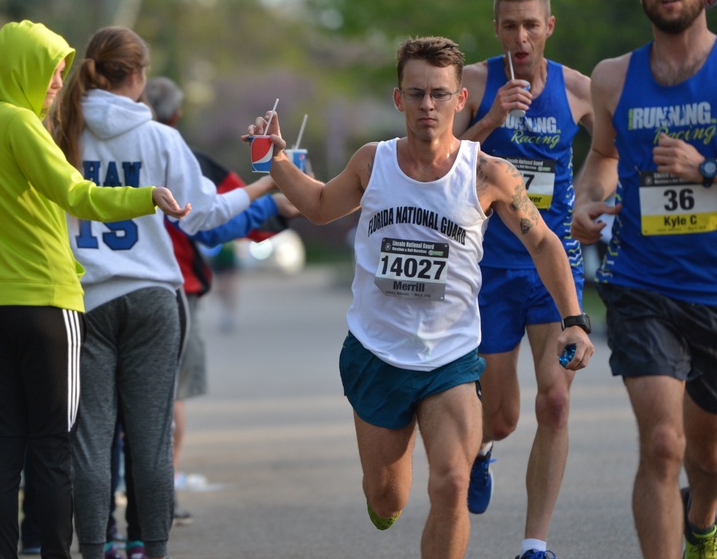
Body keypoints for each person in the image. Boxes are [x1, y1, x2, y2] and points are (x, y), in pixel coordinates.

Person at [247, 36, 593, 559]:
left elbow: (544, 241)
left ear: (459, 99)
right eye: (416, 94)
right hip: (377, 352)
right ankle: (382, 497)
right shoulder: (372, 163)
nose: (427, 105)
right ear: (398, 99)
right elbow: (319, 205)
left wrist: (574, 318)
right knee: (387, 501)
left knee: (452, 484)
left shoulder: (487, 173)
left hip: (451, 357)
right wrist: (276, 162)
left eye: (438, 94)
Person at [0, 20, 190, 559]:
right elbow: (77, 194)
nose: (59, 82)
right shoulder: (21, 124)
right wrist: (146, 196)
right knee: (54, 447)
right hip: (44, 303)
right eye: (52, 70)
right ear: (26, 69)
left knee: (2, 449)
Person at [54, 26, 270, 559]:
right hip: (153, 297)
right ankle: (151, 548)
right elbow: (204, 216)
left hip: (85, 301)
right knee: (150, 439)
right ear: (140, 77)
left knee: (91, 440)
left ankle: (96, 548)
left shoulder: (61, 133)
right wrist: (269, 180)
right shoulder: (160, 138)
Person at [572, 0, 717, 559]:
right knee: (663, 443)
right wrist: (584, 200)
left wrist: (704, 169)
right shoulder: (613, 78)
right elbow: (602, 156)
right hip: (641, 282)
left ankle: (703, 525)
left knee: (709, 451)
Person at [452, 0, 594, 559]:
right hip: (489, 269)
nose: (520, 36)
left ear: (548, 27)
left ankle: (535, 545)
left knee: (555, 402)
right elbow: (435, 160)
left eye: (531, 24)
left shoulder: (579, 91)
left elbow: (609, 150)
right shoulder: (473, 84)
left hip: (553, 263)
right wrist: (488, 122)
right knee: (505, 416)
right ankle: (485, 448)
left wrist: (589, 198)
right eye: (509, 25)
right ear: (496, 29)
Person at [144, 75, 296, 524]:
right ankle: (158, 498)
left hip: (101, 292)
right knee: (170, 398)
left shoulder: (91, 151)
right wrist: (277, 198)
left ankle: (113, 502)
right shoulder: (190, 162)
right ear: (176, 115)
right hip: (176, 294)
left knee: (110, 403)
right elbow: (224, 215)